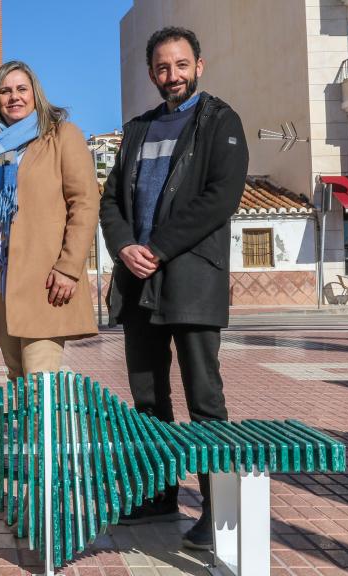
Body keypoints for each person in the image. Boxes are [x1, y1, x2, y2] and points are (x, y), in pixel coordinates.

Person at [99, 27, 248, 551]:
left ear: (199, 66)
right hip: (137, 282)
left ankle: (217, 507)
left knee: (204, 399)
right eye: (162, 68)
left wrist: (156, 247)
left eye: (181, 65)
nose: (172, 76)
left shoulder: (221, 121)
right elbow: (111, 201)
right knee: (147, 398)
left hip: (191, 280)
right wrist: (124, 247)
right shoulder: (138, 129)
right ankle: (159, 495)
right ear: (151, 74)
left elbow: (219, 199)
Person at [0, 61, 99, 387]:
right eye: (5, 91)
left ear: (35, 93)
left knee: (41, 382)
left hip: (45, 281)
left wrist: (69, 267)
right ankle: (29, 440)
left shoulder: (62, 136)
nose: (14, 97)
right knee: (17, 380)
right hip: (0, 281)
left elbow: (84, 203)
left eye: (21, 89)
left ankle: (46, 440)